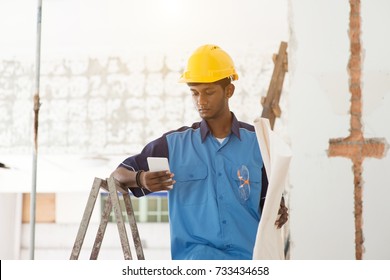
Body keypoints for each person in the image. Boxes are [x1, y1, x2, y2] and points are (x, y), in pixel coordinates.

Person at [110, 44, 288, 260]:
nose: (200, 101)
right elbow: (117, 175)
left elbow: (268, 201)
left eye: (209, 92)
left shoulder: (259, 142)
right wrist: (141, 178)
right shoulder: (173, 145)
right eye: (194, 93)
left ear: (229, 91)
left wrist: (278, 208)